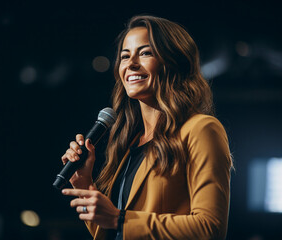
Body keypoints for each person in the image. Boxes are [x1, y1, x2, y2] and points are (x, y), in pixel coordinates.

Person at [61, 15, 232, 240]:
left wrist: (119, 218)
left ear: (173, 61)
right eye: (124, 56)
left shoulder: (201, 129)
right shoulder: (131, 142)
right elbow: (115, 232)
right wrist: (86, 186)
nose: (131, 63)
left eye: (145, 53)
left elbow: (210, 228)